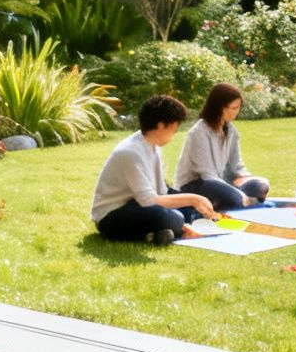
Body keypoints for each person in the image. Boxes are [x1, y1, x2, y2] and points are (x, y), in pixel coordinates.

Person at [92, 95, 222, 244]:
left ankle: (158, 232)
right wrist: (193, 200)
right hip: (112, 214)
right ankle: (171, 227)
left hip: (137, 204)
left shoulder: (153, 145)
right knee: (168, 216)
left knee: (191, 208)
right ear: (161, 125)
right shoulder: (130, 152)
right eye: (174, 128)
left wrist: (193, 202)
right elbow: (148, 200)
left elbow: (162, 191)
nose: (174, 133)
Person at [172, 83, 272, 211]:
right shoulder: (198, 132)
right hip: (196, 185)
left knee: (261, 185)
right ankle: (244, 202)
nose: (237, 111)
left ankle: (242, 202)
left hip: (221, 183)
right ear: (220, 108)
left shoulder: (232, 131)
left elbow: (236, 165)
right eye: (234, 108)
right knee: (235, 197)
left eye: (238, 107)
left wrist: (243, 177)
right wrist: (237, 193)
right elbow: (207, 174)